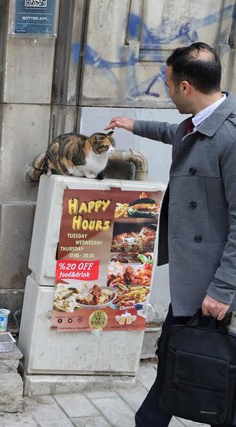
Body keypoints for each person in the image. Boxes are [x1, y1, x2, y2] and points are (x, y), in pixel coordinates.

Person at [105, 42, 236, 426]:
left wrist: (223, 289)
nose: (165, 89)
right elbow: (174, 132)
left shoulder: (229, 137)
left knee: (199, 362)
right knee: (179, 356)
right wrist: (134, 125)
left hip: (211, 282)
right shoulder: (199, 122)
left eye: (168, 83)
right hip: (194, 276)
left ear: (185, 87)